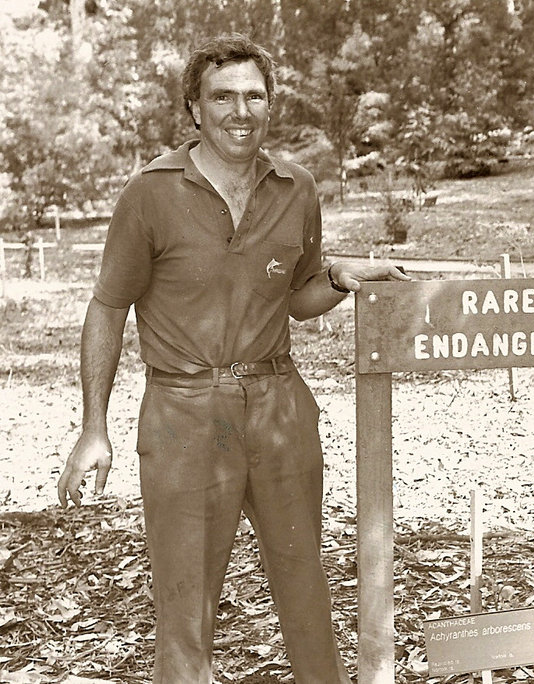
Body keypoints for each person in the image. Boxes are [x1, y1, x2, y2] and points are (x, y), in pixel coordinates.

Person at [56, 33, 409, 684]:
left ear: (271, 104)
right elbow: (107, 307)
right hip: (183, 412)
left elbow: (295, 298)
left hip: (280, 408)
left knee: (305, 586)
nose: (240, 111)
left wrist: (337, 279)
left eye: (254, 96)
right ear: (194, 108)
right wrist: (93, 428)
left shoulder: (295, 188)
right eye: (222, 97)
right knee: (185, 606)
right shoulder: (150, 193)